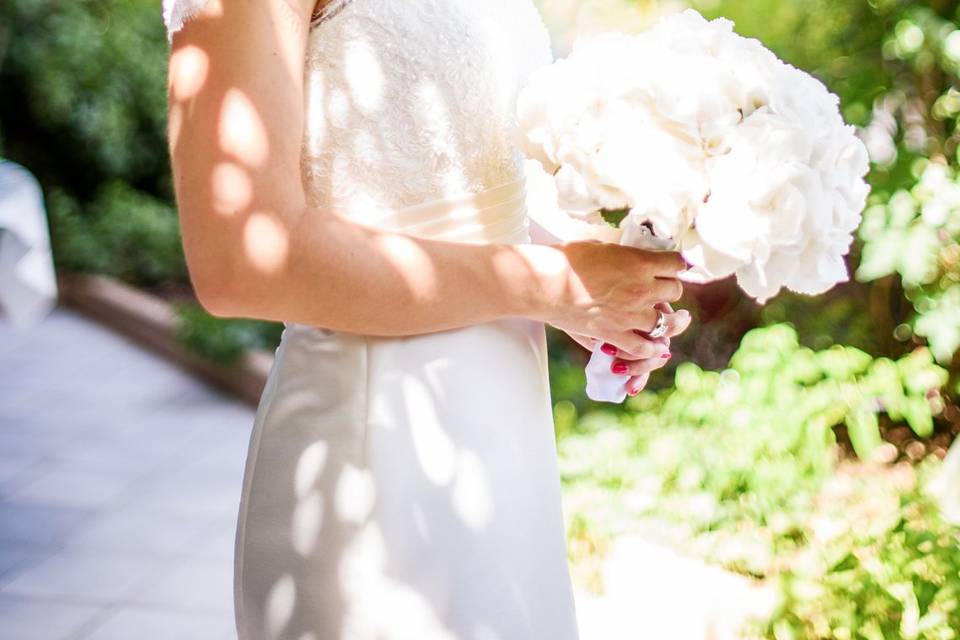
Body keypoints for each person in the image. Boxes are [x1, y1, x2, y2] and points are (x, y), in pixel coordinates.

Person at [163, 0, 691, 638]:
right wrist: (548, 286)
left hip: (501, 428)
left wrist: (593, 283)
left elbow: (453, 188)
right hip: (372, 438)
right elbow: (241, 260)